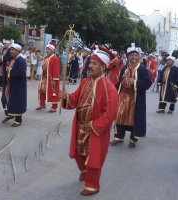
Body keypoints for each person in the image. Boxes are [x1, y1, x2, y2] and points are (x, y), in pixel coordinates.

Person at [59, 45, 118, 196]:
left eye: (94, 64)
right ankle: (83, 171)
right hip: (80, 125)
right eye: (90, 62)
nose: (90, 66)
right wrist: (67, 97)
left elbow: (110, 114)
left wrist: (95, 125)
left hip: (95, 130)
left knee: (94, 158)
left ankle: (92, 185)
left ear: (103, 67)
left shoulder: (109, 88)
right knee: (78, 152)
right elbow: (76, 97)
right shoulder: (85, 81)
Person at [110, 44, 152, 148]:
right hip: (123, 98)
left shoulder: (142, 70)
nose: (133, 57)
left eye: (135, 55)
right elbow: (120, 82)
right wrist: (111, 89)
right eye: (131, 55)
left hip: (135, 99)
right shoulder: (124, 68)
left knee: (134, 119)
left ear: (139, 57)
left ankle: (133, 139)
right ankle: (118, 137)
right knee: (119, 116)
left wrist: (135, 82)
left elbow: (147, 83)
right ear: (128, 57)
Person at [1, 41, 27, 127]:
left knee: (17, 101)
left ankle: (18, 120)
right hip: (9, 84)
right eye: (10, 49)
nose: (10, 51)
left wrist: (10, 70)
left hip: (17, 85)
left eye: (12, 50)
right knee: (5, 99)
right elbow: (6, 56)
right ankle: (10, 114)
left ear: (18, 51)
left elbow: (22, 73)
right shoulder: (12, 59)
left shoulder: (21, 60)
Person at [36, 42, 60, 113]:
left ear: (52, 50)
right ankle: (42, 104)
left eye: (48, 49)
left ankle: (54, 107)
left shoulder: (55, 58)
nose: (47, 50)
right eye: (46, 49)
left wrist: (54, 79)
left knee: (53, 91)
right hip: (44, 77)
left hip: (51, 78)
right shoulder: (46, 58)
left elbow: (56, 69)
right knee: (42, 89)